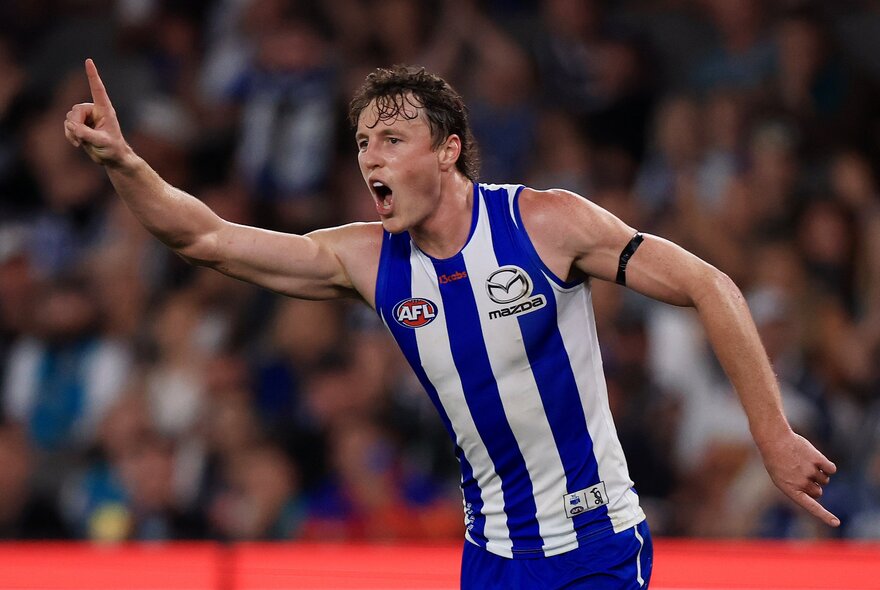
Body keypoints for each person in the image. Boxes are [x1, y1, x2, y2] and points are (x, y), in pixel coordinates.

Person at [64, 59, 839, 589]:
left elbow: (709, 284)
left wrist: (772, 435)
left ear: (448, 151)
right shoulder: (368, 260)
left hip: (595, 546)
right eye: (362, 143)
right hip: (490, 557)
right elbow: (204, 239)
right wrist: (124, 163)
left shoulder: (546, 224)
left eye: (391, 139)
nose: (370, 158)